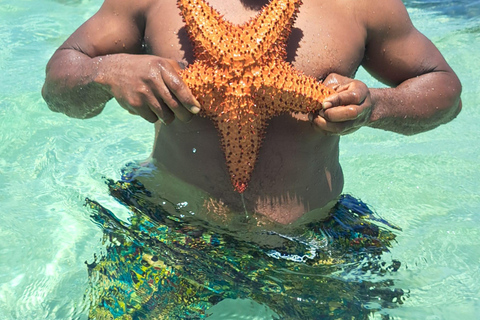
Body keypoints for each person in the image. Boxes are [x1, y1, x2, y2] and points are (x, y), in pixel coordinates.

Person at [42, 0, 461, 318]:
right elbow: (57, 85)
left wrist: (376, 106)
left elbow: (445, 92)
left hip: (312, 240)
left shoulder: (358, 5)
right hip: (167, 232)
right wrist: (107, 71)